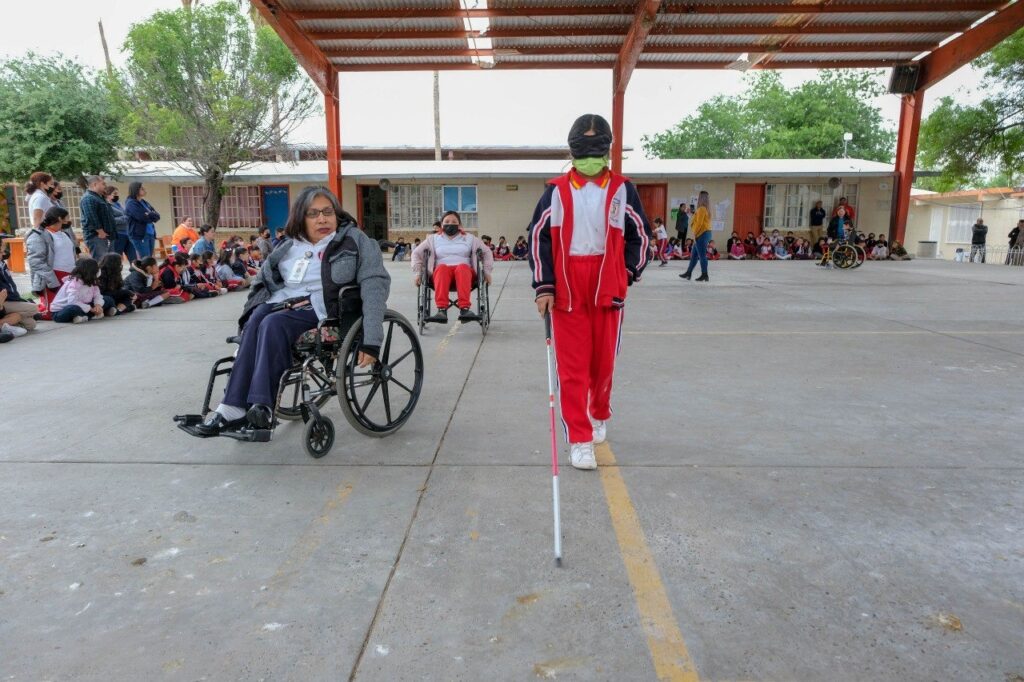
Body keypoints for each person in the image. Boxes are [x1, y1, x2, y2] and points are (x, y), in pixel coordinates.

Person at [195, 186, 389, 435]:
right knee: (256, 320)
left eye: (328, 211)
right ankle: (231, 407)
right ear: (301, 218)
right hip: (283, 301)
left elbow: (375, 285)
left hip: (327, 309)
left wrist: (372, 340)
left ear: (337, 214)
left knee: (273, 324)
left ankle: (262, 406)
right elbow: (261, 282)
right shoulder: (288, 245)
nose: (322, 219)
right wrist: (249, 314)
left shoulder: (355, 240)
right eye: (313, 213)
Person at [528, 113, 651, 470]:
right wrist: (543, 286)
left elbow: (639, 235)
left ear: (608, 151)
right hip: (567, 282)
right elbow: (538, 240)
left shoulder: (622, 188)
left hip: (607, 278)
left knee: (603, 363)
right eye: (583, 151)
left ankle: (598, 414)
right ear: (572, 152)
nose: (590, 159)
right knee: (572, 367)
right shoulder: (556, 191)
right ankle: (579, 440)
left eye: (597, 151)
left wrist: (626, 274)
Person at [411, 211, 493, 323]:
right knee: (441, 268)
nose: (451, 224)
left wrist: (487, 272)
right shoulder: (433, 239)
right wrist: (418, 273)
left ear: (459, 225)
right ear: (442, 224)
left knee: (462, 267)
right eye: (447, 221)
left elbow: (487, 252)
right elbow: (416, 253)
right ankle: (441, 310)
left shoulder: (470, 238)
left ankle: (464, 309)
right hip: (441, 276)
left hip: (466, 274)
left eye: (454, 221)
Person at [26, 206, 79, 319]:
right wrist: (51, 280)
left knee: (70, 306)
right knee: (51, 313)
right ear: (59, 218)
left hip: (69, 275)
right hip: (53, 277)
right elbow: (36, 261)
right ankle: (32, 310)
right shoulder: (38, 235)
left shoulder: (65, 233)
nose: (69, 220)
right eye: (67, 217)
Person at [50, 258, 109, 323]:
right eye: (96, 269)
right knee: (72, 309)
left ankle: (82, 317)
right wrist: (90, 309)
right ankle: (89, 316)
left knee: (107, 299)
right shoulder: (74, 283)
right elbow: (72, 302)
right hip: (60, 312)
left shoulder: (92, 281)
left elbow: (97, 295)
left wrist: (98, 305)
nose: (98, 271)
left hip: (83, 306)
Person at [80, 175, 116, 259]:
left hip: (106, 237)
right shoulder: (88, 198)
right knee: (101, 263)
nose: (105, 186)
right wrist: (100, 232)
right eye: (103, 184)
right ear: (95, 184)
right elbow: (91, 217)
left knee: (109, 264)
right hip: (97, 237)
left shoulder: (100, 197)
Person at [679, 190, 712, 282]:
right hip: (705, 233)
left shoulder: (701, 208)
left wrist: (695, 234)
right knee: (694, 255)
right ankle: (688, 273)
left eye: (699, 197)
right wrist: (691, 214)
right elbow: (698, 220)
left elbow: (699, 224)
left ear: (701, 198)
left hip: (702, 234)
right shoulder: (706, 209)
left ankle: (704, 274)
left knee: (702, 256)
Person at [0, 253, 38, 332]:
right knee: (33, 308)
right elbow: (5, 292)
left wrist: (18, 300)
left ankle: (6, 325)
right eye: (1, 252)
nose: (3, 253)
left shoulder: (2, 264)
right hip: (4, 301)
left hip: (10, 300)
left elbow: (10, 287)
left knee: (31, 324)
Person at [124, 182, 161, 259]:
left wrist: (149, 214)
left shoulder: (144, 202)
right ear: (136, 190)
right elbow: (141, 217)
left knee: (149, 258)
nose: (144, 190)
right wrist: (150, 214)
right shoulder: (131, 203)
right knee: (145, 259)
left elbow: (157, 216)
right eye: (142, 188)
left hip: (150, 233)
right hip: (140, 235)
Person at [104, 185, 133, 261]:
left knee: (133, 257)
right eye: (115, 193)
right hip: (118, 235)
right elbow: (111, 220)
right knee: (116, 258)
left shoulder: (118, 204)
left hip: (127, 233)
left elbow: (127, 215)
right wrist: (124, 218)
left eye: (117, 193)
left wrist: (125, 217)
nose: (117, 195)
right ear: (108, 194)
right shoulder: (106, 206)